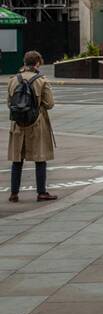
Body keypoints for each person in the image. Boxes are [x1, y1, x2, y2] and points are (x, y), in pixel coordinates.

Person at [7, 51, 58, 203]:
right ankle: (41, 192)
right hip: (37, 122)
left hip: (18, 123)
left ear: (24, 62)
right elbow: (50, 104)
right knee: (40, 158)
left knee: (17, 159)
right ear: (37, 63)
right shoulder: (41, 80)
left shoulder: (13, 80)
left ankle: (14, 193)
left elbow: (9, 103)